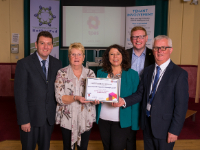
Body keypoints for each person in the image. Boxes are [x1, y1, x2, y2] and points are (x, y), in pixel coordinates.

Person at [114, 35, 189, 150]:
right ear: (153, 50)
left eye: (163, 48)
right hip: (147, 124)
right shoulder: (148, 70)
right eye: (156, 48)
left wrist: (174, 130)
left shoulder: (179, 74)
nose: (159, 51)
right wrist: (124, 101)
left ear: (171, 50)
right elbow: (140, 93)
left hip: (165, 127)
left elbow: (181, 106)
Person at [14, 31, 62, 150]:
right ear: (36, 44)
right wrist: (24, 120)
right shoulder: (24, 64)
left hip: (48, 118)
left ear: (52, 46)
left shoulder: (57, 64)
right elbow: (20, 95)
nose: (45, 47)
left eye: (48, 44)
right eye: (42, 43)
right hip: (30, 119)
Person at [95, 44, 140, 150]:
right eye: (112, 54)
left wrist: (134, 124)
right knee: (106, 147)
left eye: (118, 54)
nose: (115, 57)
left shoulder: (132, 74)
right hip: (103, 119)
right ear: (108, 57)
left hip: (122, 120)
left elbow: (136, 98)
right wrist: (95, 99)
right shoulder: (100, 73)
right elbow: (97, 92)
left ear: (123, 56)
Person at [55, 42, 96, 150]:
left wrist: (96, 100)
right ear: (69, 56)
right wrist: (76, 98)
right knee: (67, 147)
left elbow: (93, 96)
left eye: (79, 54)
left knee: (83, 147)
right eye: (73, 54)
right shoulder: (61, 73)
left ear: (83, 57)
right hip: (67, 118)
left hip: (85, 117)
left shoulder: (90, 73)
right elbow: (59, 98)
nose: (76, 57)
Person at [126, 26, 155, 150]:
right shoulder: (123, 54)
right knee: (129, 132)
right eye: (135, 37)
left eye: (141, 36)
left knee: (148, 131)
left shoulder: (154, 55)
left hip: (147, 98)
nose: (138, 39)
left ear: (146, 38)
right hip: (128, 97)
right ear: (131, 39)